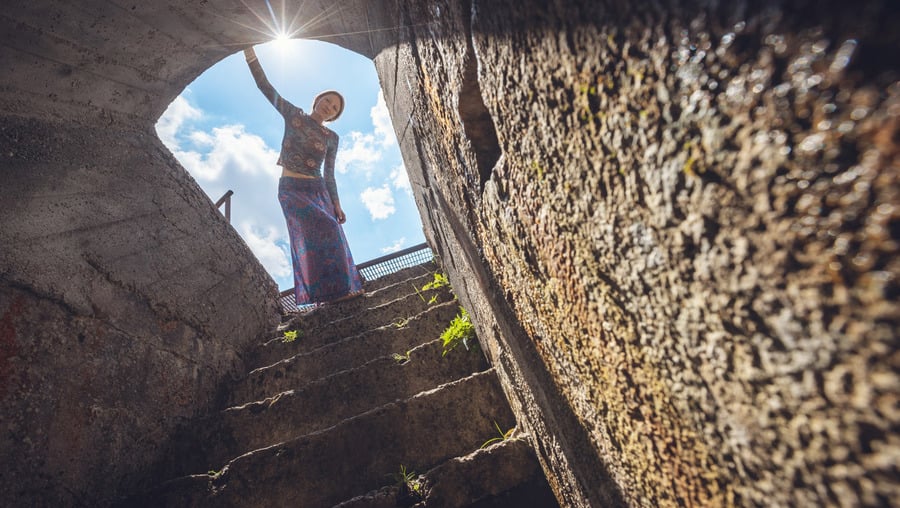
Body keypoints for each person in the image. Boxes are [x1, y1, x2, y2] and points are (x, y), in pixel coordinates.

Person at [244, 46, 364, 306]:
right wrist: (250, 55)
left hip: (318, 190)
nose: (329, 107)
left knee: (332, 231)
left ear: (334, 116)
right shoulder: (294, 115)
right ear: (317, 100)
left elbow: (329, 174)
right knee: (308, 240)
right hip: (291, 189)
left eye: (334, 108)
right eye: (327, 101)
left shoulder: (332, 138)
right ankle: (323, 294)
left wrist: (336, 203)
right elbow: (266, 87)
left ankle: (341, 290)